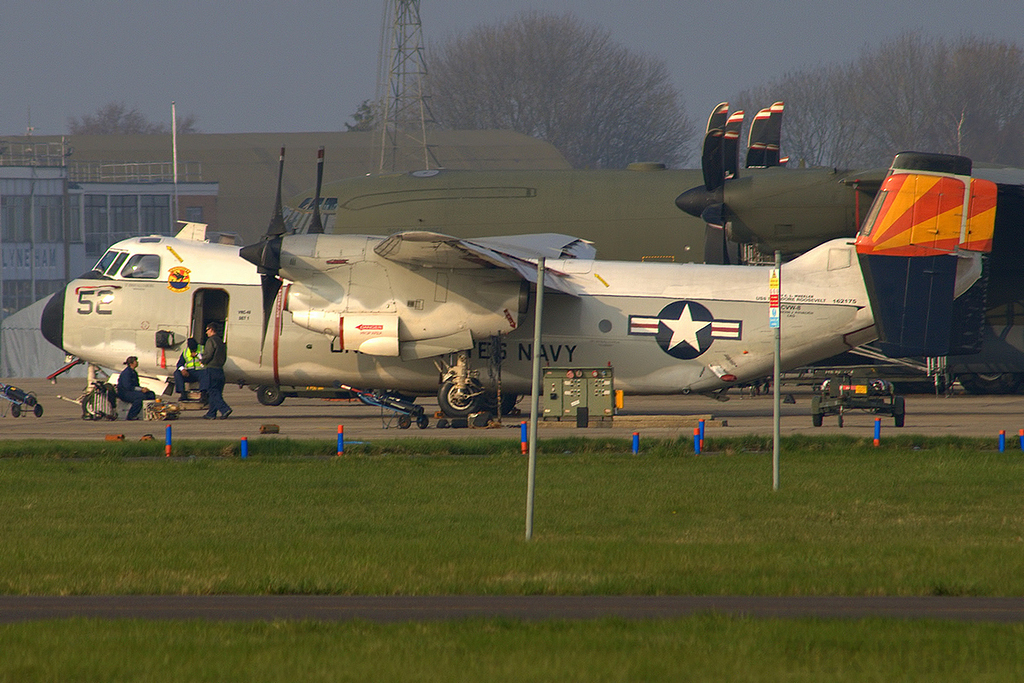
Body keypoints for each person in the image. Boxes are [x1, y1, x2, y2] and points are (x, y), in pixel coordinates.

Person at [202, 322, 232, 419]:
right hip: (220, 370)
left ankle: (225, 409)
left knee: (212, 391)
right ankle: (211, 413)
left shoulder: (211, 341)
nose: (206, 332)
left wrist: (203, 360)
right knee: (216, 392)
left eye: (207, 330)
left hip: (212, 369)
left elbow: (209, 354)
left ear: (211, 329)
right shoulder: (221, 342)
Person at [116, 356, 155, 421]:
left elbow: (136, 385)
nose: (137, 362)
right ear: (131, 363)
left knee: (151, 394)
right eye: (135, 361)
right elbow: (127, 386)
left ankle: (151, 413)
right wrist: (140, 390)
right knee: (140, 398)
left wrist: (143, 389)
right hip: (125, 392)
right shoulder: (127, 373)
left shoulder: (133, 372)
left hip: (132, 391)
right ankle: (131, 415)